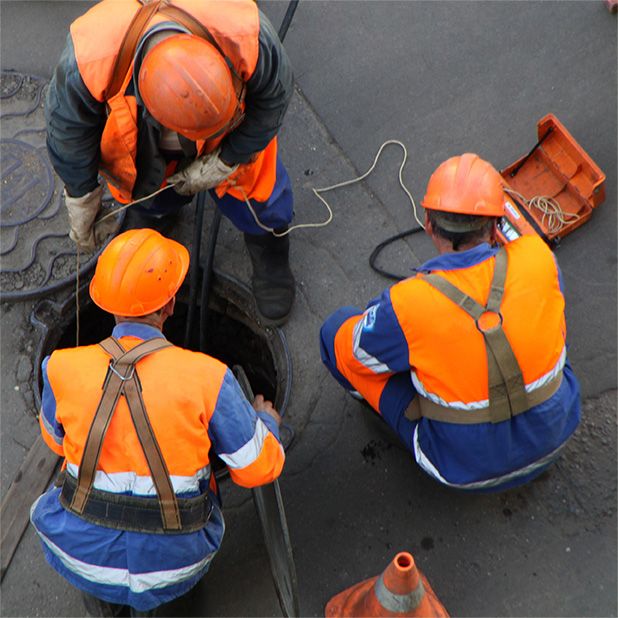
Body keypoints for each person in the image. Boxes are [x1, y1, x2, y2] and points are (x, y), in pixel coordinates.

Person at [30, 228, 285, 616]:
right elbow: (258, 469)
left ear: (105, 303)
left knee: (97, 569)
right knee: (176, 563)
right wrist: (266, 421)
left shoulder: (60, 367)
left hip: (79, 555)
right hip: (176, 565)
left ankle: (108, 605)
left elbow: (55, 443)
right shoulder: (208, 377)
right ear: (169, 305)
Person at [320, 153, 581, 492]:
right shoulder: (538, 256)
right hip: (557, 433)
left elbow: (354, 355)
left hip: (465, 470)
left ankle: (383, 413)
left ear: (429, 224)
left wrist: (392, 322)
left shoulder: (407, 303)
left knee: (335, 331)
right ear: (497, 226)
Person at [45, 0, 295, 325]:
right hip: (144, 137)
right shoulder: (89, 57)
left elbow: (274, 100)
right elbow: (68, 134)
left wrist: (229, 157)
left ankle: (267, 245)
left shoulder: (247, 35)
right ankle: (156, 212)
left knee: (258, 190)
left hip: (231, 133)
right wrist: (82, 197)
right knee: (146, 182)